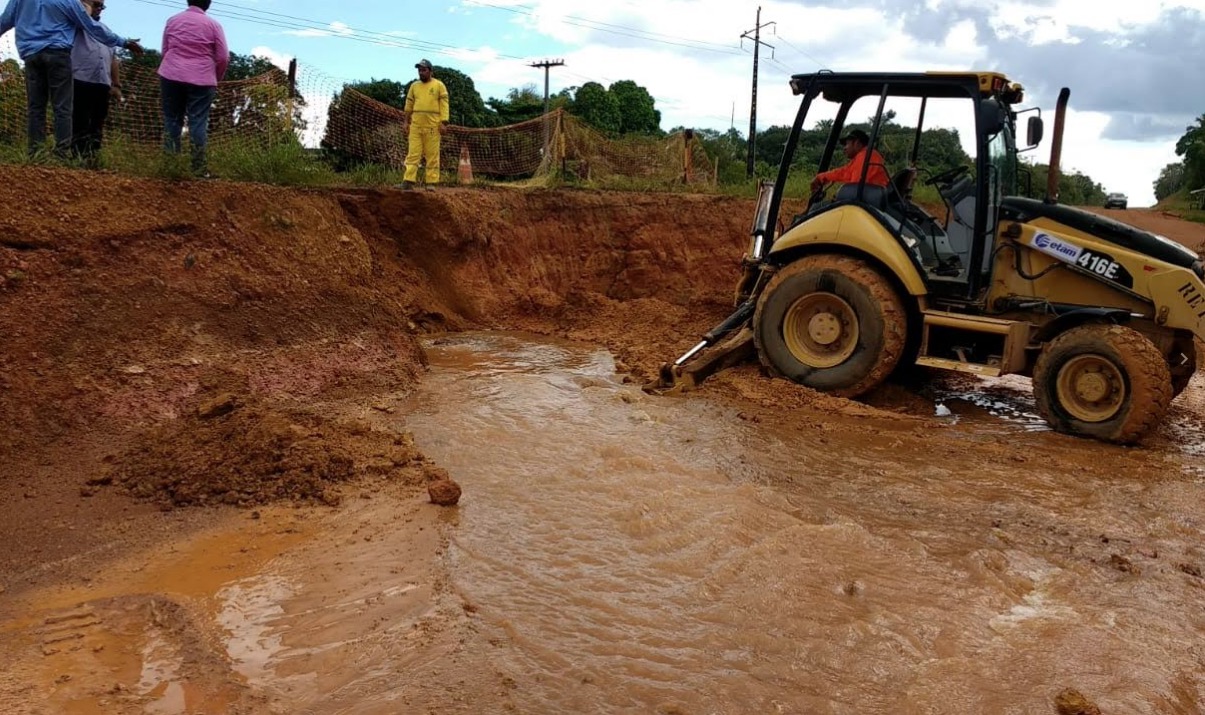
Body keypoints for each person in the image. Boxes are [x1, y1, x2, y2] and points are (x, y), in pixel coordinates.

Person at [0, 0, 141, 157]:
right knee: (62, 107)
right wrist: (124, 42)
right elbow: (91, 25)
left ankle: (35, 153)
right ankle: (62, 152)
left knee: (36, 107)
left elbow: (4, 21)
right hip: (58, 55)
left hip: (31, 55)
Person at [158, 0, 228, 176]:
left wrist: (172, 67)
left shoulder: (172, 20)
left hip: (171, 74)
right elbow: (223, 57)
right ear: (208, 4)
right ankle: (199, 169)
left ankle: (170, 168)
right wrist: (215, 76)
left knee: (172, 119)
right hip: (202, 78)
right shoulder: (214, 25)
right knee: (198, 122)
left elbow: (165, 50)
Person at [70, 0, 120, 165]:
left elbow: (113, 58)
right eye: (95, 4)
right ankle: (77, 158)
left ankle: (92, 159)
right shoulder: (75, 26)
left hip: (102, 83)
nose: (99, 9)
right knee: (79, 121)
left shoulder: (106, 31)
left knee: (97, 123)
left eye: (101, 6)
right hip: (80, 80)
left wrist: (116, 84)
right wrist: (85, 11)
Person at [400, 58, 449, 191]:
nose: (421, 72)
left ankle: (431, 182)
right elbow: (408, 105)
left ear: (430, 71)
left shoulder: (439, 85)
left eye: (424, 70)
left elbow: (444, 105)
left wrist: (444, 123)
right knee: (413, 154)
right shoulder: (414, 86)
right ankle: (408, 181)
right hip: (416, 126)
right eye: (419, 70)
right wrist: (405, 122)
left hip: (433, 127)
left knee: (432, 155)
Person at [810, 129, 890, 194]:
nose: (844, 148)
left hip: (869, 203)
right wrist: (821, 177)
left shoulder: (865, 157)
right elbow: (844, 172)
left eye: (847, 144)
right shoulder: (863, 157)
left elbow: (854, 189)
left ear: (857, 143)